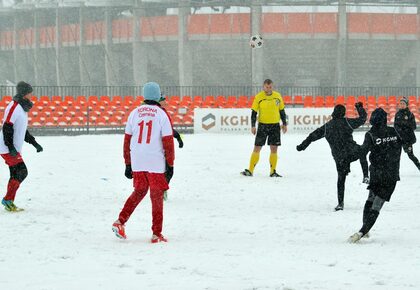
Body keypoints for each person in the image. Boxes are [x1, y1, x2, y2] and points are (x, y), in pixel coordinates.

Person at [112, 82, 175, 243]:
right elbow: (168, 141)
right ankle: (156, 233)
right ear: (158, 95)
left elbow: (127, 140)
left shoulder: (134, 113)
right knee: (156, 196)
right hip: (155, 161)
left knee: (139, 191)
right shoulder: (161, 114)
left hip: (138, 160)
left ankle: (120, 221)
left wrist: (127, 163)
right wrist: (170, 164)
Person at [296, 102, 369, 211]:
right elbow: (363, 119)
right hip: (351, 151)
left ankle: (340, 203)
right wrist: (359, 107)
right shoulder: (348, 122)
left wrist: (302, 146)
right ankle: (366, 176)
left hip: (339, 156)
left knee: (341, 179)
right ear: (343, 113)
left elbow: (312, 136)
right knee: (362, 151)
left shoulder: (327, 126)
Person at [348, 108, 403, 243]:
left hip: (377, 174)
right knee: (377, 205)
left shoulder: (371, 134)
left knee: (371, 199)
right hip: (391, 175)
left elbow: (362, 153)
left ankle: (364, 230)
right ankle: (362, 231)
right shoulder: (395, 131)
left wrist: (349, 157)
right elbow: (410, 141)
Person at [0, 81, 43, 212]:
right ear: (25, 94)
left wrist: (34, 143)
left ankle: (9, 201)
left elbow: (22, 130)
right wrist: (11, 147)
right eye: (30, 93)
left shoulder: (22, 108)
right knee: (22, 172)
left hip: (13, 148)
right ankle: (7, 200)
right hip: (7, 148)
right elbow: (7, 127)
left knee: (15, 174)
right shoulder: (14, 107)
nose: (32, 95)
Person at [241, 79, 287, 177]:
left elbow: (282, 111)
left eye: (270, 87)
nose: (268, 89)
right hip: (263, 125)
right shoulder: (259, 97)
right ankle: (250, 170)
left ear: (272, 87)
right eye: (266, 87)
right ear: (263, 87)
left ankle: (273, 171)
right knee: (257, 148)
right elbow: (254, 113)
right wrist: (253, 126)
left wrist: (284, 124)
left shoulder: (277, 96)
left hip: (275, 126)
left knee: (274, 149)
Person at [394, 97, 420, 171]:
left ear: (407, 105)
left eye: (403, 104)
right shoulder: (397, 114)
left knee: (411, 155)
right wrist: (400, 132)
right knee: (396, 156)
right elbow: (395, 126)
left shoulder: (410, 114)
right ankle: (395, 172)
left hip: (407, 140)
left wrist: (406, 126)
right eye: (401, 103)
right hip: (399, 139)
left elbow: (413, 126)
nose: (402, 105)